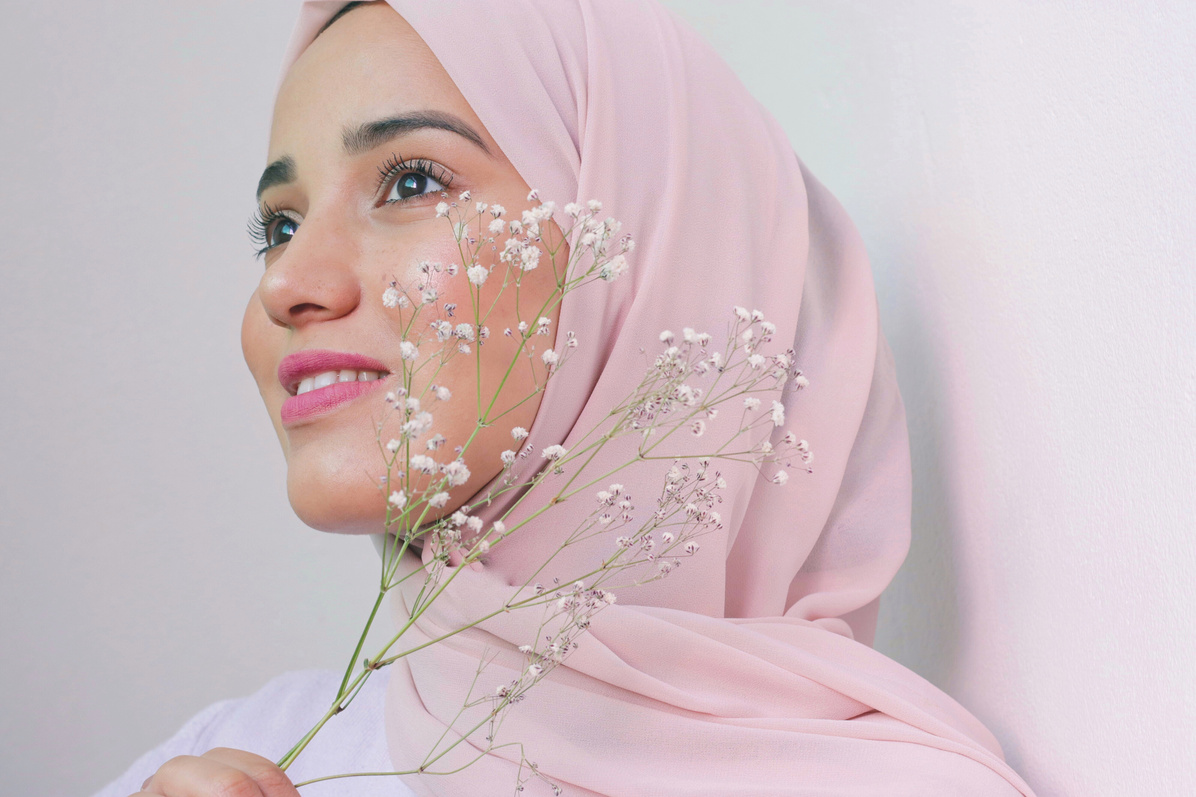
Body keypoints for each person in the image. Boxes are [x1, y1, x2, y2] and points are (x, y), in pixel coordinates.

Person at [95, 1, 1039, 795]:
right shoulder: (227, 760)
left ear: (656, 257)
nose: (286, 281)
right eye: (279, 224)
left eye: (411, 180)